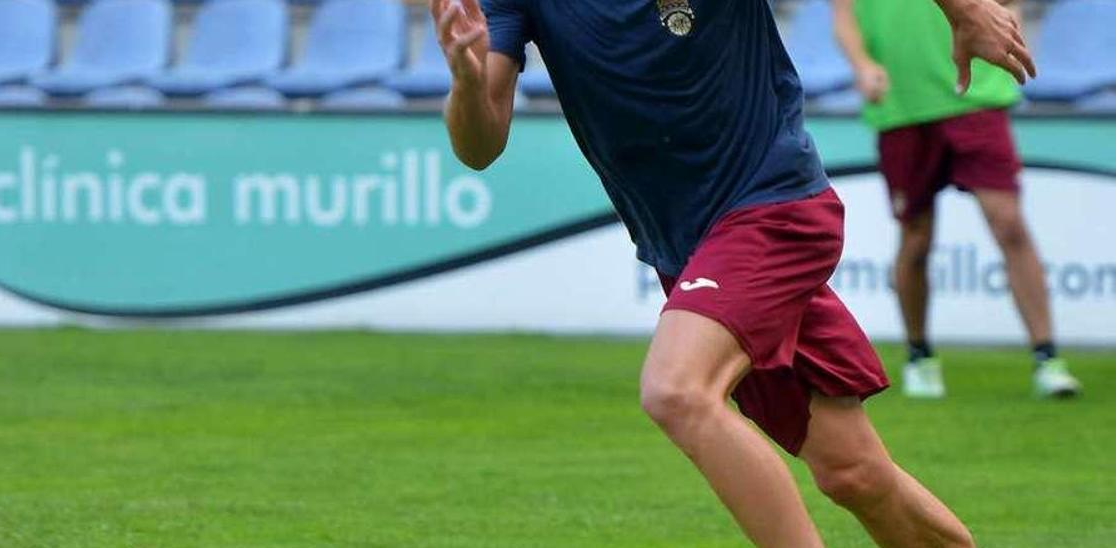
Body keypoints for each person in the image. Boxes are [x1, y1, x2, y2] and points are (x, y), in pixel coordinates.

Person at [432, 0, 1033, 544]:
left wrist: (965, 9)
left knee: (676, 390)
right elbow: (480, 146)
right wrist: (465, 80)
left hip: (773, 209)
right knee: (853, 472)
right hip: (691, 252)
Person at [832, 0, 1081, 399]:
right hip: (903, 103)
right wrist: (862, 65)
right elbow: (843, 14)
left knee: (1009, 223)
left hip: (977, 94)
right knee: (916, 238)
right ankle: (920, 355)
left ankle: (1047, 358)